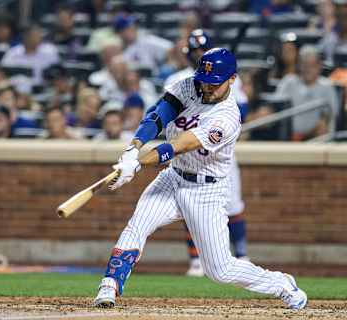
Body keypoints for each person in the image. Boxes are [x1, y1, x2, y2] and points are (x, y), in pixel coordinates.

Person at [93, 48, 307, 310]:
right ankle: (110, 284)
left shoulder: (227, 117)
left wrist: (137, 163)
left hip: (206, 190)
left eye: (214, 83)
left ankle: (281, 284)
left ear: (232, 79)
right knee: (137, 225)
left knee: (220, 270)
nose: (207, 87)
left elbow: (179, 145)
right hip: (173, 177)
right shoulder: (189, 86)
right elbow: (158, 115)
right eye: (204, 80)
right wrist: (132, 148)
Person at [164, 30, 250, 276]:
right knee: (189, 206)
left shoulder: (227, 78)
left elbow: (241, 109)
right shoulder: (178, 80)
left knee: (233, 204)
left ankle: (242, 254)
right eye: (195, 52)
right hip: (188, 150)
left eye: (203, 51)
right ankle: (195, 260)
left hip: (219, 151)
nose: (199, 55)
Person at [275, 45, 339, 141]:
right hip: (287, 138)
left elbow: (331, 117)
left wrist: (306, 136)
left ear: (319, 66)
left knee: (322, 128)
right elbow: (276, 109)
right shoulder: (288, 81)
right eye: (304, 64)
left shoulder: (327, 86)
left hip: (314, 139)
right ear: (298, 65)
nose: (308, 69)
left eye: (312, 65)